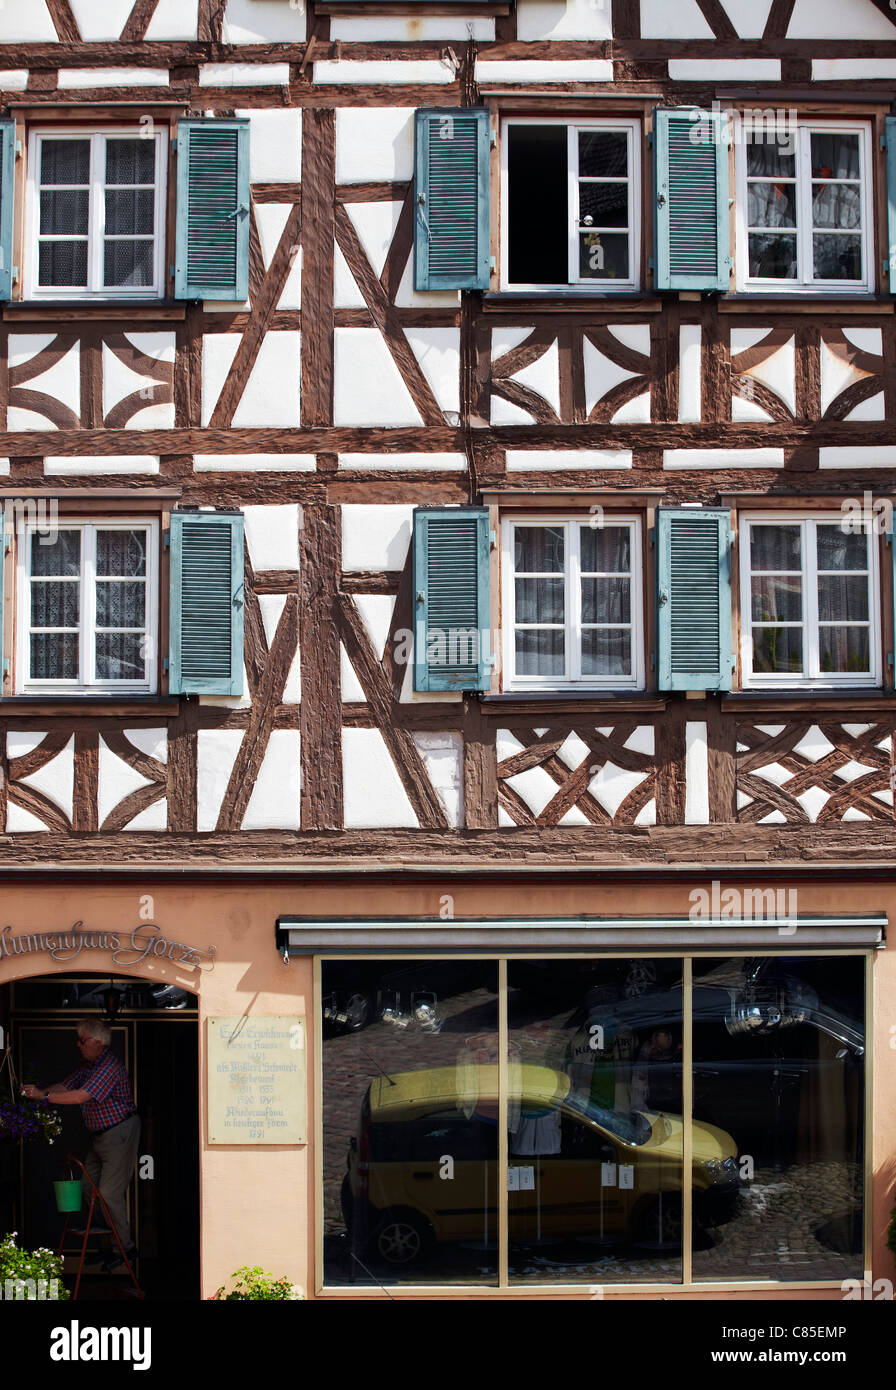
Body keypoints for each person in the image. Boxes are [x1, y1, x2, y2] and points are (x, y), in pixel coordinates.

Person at [22, 1018, 140, 1271]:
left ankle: (126, 1248)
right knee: (88, 1188)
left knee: (108, 1193)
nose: (78, 1045)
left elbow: (80, 1096)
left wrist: (44, 1096)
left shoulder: (108, 1067)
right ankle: (107, 1248)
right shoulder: (89, 1066)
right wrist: (38, 1093)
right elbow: (65, 1086)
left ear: (98, 1042)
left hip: (118, 1134)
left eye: (82, 1040)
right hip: (99, 1136)